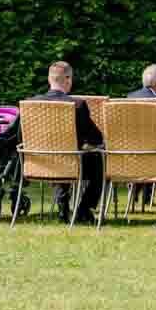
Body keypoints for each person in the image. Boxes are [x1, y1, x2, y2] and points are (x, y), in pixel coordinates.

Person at [34, 61, 105, 223]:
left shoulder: (31, 103)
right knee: (97, 161)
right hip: (69, 162)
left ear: (49, 79)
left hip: (39, 161)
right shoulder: (77, 105)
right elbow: (95, 138)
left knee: (64, 155)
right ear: (68, 80)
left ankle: (63, 208)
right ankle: (83, 209)